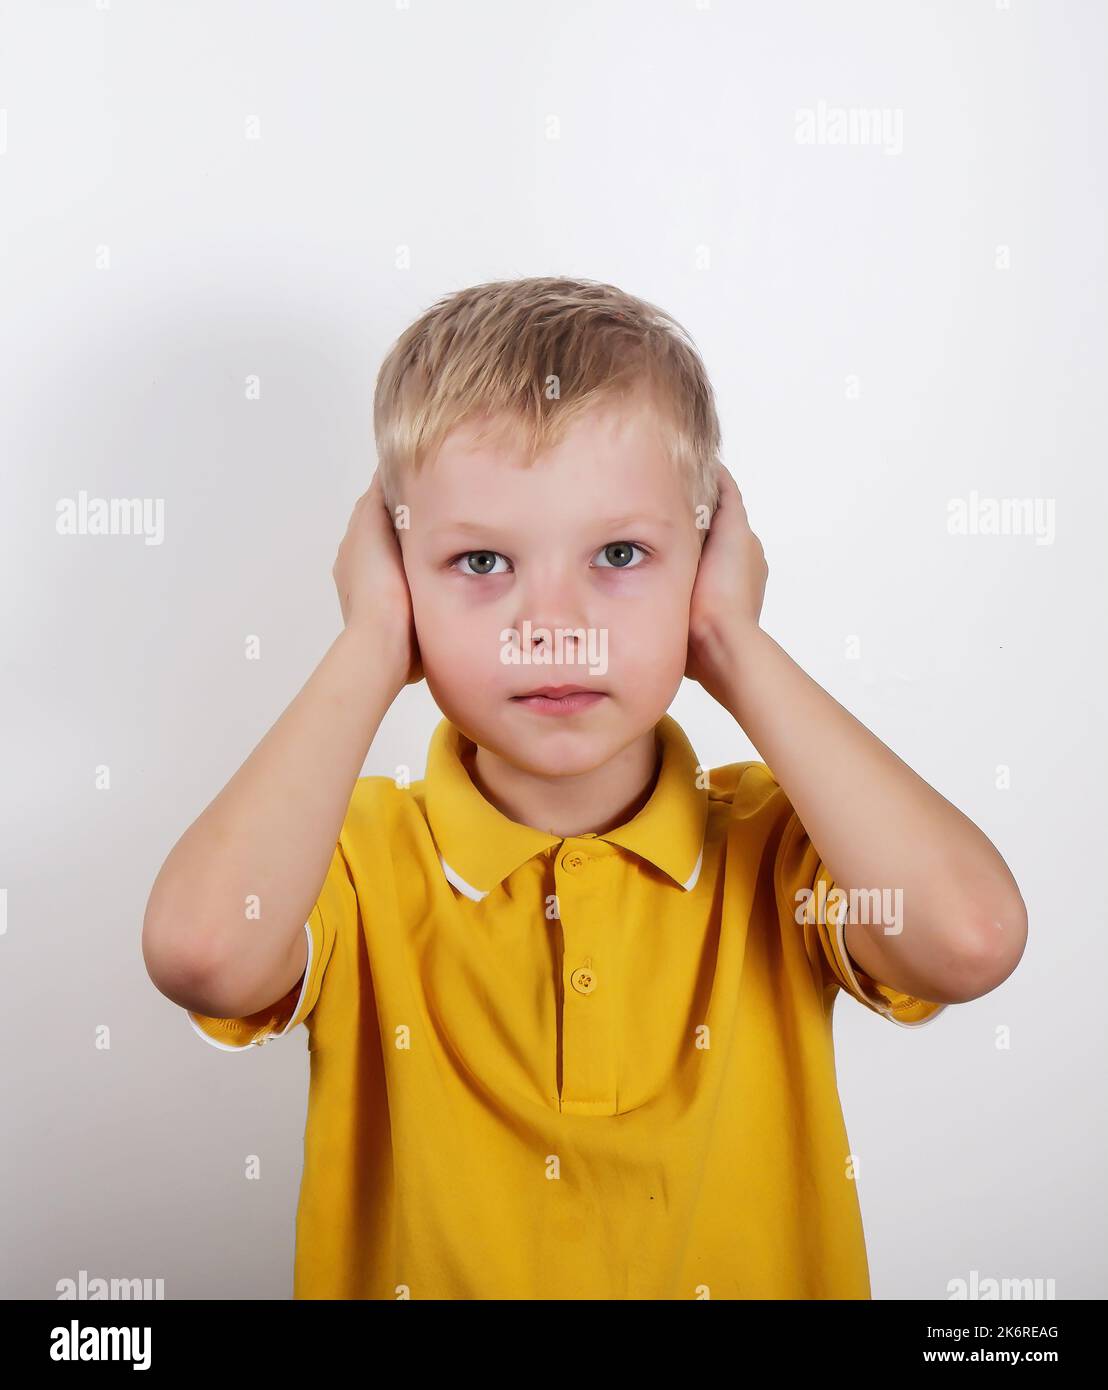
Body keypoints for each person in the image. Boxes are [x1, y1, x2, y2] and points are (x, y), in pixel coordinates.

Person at [142, 275, 1027, 1299]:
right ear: (394, 572)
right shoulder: (347, 862)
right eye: (480, 559)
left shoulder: (778, 848)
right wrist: (370, 644)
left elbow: (970, 937)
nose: (551, 621)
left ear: (706, 563)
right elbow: (202, 951)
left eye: (619, 553)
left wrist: (733, 643)